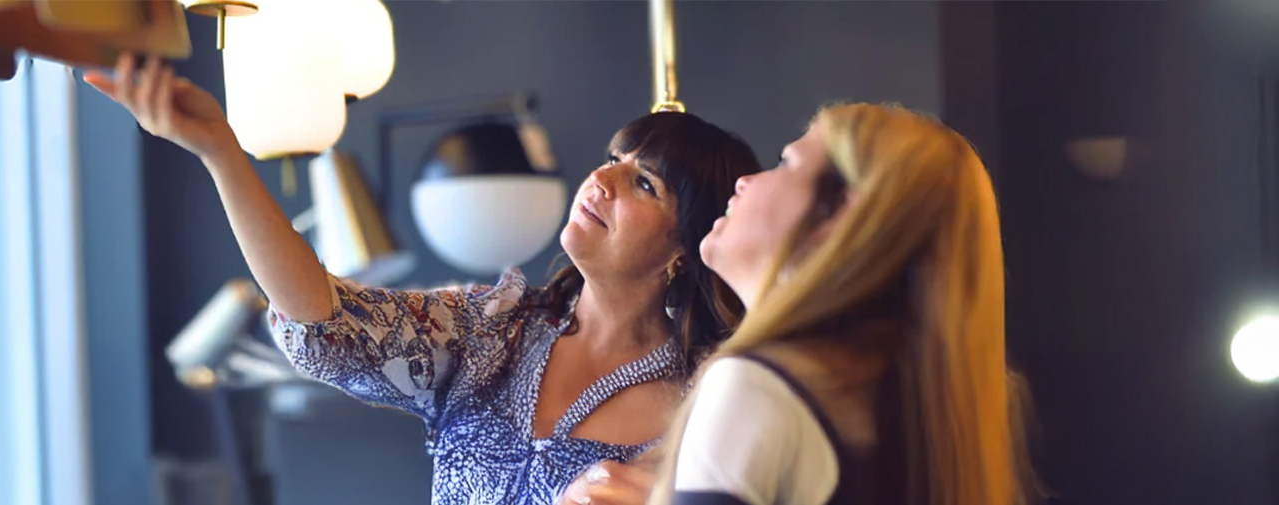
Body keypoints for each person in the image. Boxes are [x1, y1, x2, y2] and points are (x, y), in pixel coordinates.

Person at [83, 54, 764, 505]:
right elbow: (325, 323)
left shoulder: (713, 400)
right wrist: (220, 153)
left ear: (685, 248)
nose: (603, 179)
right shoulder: (489, 327)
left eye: (642, 181)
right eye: (614, 158)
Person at [649, 103, 1038, 505]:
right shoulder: (923, 428)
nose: (745, 181)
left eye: (785, 164)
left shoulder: (757, 387)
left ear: (840, 215)